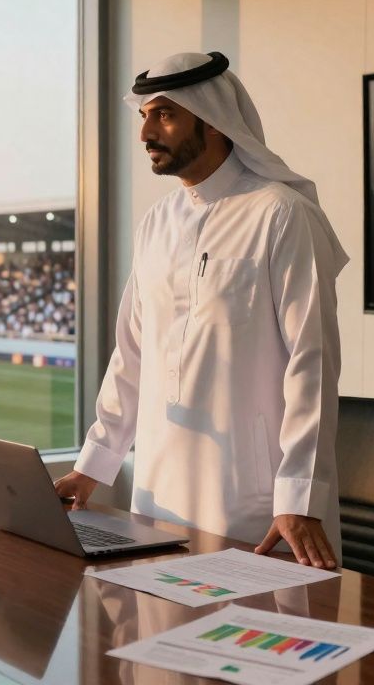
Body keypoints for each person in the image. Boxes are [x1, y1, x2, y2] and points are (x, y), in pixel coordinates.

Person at [53, 51, 349, 569]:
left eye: (164, 115)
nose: (147, 133)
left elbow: (313, 362)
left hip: (254, 507)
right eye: (144, 116)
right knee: (158, 644)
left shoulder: (281, 215)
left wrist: (300, 496)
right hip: (155, 498)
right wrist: (93, 466)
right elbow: (131, 357)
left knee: (257, 642)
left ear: (213, 122)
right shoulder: (156, 223)